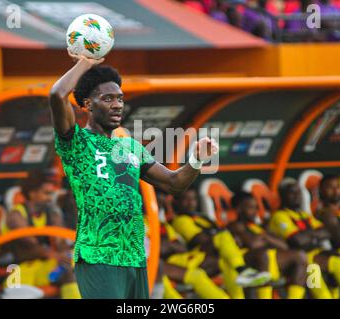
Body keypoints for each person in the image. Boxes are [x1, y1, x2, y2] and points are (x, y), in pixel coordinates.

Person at [49, 54, 219, 299]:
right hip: (98, 257)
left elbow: (175, 183)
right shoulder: (76, 143)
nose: (117, 104)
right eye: (107, 98)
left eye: (120, 98)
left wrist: (196, 159)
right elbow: (57, 95)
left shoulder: (129, 147)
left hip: (135, 256)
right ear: (87, 104)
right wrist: (86, 61)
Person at [268, 178, 340, 299]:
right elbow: (297, 241)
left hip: (315, 256)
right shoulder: (279, 216)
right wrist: (314, 235)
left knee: (337, 263)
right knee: (320, 288)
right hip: (300, 262)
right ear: (282, 196)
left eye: (298, 192)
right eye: (292, 192)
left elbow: (326, 232)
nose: (297, 196)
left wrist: (307, 235)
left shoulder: (304, 215)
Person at [170, 187, 272, 299]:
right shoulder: (181, 220)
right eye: (186, 199)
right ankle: (242, 270)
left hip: (214, 256)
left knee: (226, 258)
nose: (191, 203)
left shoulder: (202, 218)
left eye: (193, 199)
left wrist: (229, 239)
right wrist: (224, 236)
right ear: (176, 202)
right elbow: (201, 239)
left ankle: (241, 283)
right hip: (196, 257)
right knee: (223, 237)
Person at [5, 170, 80, 299]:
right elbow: (30, 244)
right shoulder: (16, 214)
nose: (50, 198)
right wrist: (53, 254)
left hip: (45, 266)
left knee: (70, 270)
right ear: (32, 193)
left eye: (51, 194)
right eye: (46, 193)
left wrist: (67, 253)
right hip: (19, 268)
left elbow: (61, 241)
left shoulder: (52, 213)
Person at [229, 191, 308, 299]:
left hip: (268, 257)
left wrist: (264, 236)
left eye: (256, 207)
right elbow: (253, 244)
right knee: (263, 254)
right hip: (247, 260)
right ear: (239, 209)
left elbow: (284, 246)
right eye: (250, 208)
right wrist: (266, 238)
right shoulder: (236, 225)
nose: (255, 211)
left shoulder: (258, 227)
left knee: (300, 255)